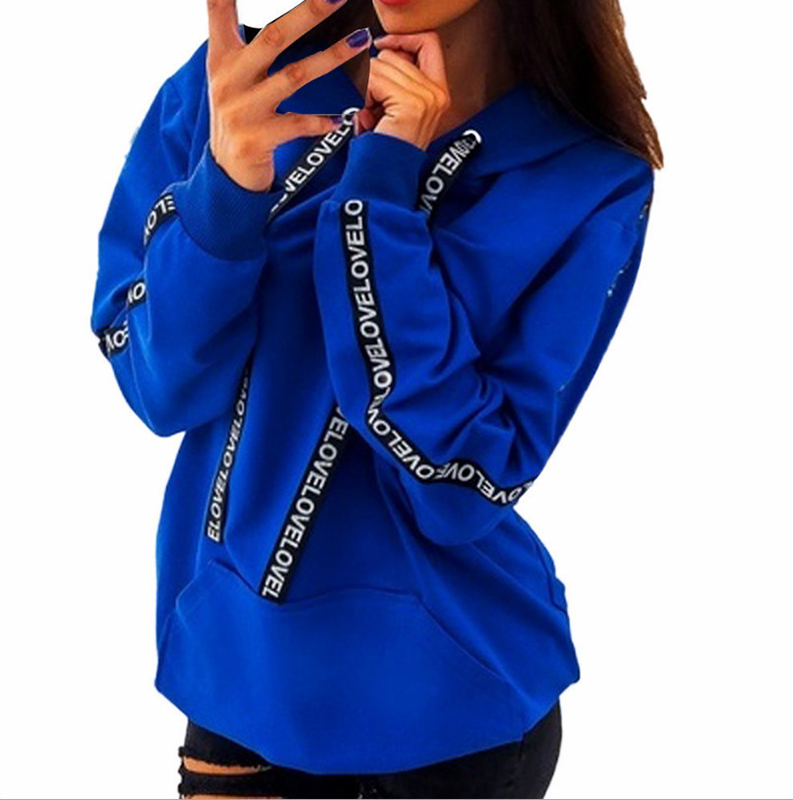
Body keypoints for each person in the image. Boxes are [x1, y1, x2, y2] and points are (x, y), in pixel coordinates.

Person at [90, 0, 662, 796]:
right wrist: (225, 192)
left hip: (453, 708)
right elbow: (159, 389)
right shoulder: (240, 90)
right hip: (238, 675)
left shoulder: (587, 178)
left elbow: (458, 486)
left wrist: (381, 195)